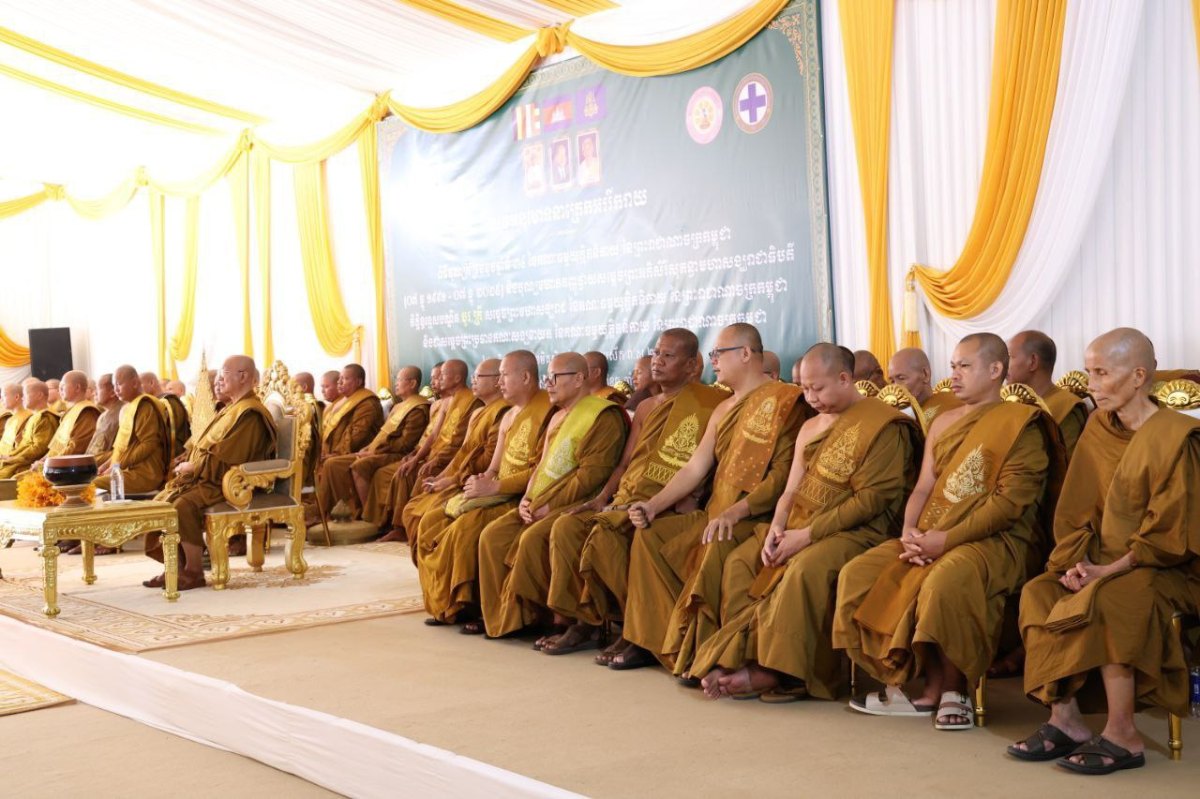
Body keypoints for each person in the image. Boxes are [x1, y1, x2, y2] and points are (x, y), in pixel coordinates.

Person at [833, 333, 1062, 730]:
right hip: (927, 534)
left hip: (996, 540)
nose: (953, 374)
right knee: (859, 572)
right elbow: (924, 487)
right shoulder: (942, 422)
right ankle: (902, 677)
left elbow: (1009, 505)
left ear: (995, 370)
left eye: (964, 366)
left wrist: (945, 541)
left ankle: (953, 689)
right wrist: (909, 531)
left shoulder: (1019, 425)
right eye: (953, 366)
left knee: (945, 579)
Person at [1009, 328, 1200, 775]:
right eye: (1088, 371)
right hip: (1097, 559)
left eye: (1101, 373)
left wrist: (1107, 571)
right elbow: (1077, 508)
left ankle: (1123, 733)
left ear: (1138, 376)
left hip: (1164, 567)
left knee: (1111, 598)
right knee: (1040, 592)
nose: (1091, 384)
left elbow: (1171, 533)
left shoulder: (1178, 436)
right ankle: (1065, 720)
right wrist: (1076, 563)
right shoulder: (1098, 426)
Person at [691, 344, 921, 700]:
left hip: (858, 531)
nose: (810, 398)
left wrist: (807, 536)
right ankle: (746, 657)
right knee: (741, 562)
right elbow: (790, 490)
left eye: (818, 388)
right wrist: (778, 528)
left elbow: (871, 500)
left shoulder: (883, 425)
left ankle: (784, 672)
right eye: (804, 388)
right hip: (800, 522)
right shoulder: (811, 427)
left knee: (804, 568)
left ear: (844, 378)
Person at [614, 324, 806, 671]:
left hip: (755, 517)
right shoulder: (723, 408)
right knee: (650, 534)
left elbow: (782, 475)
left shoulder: (784, 401)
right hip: (715, 513)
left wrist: (738, 510)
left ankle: (703, 650)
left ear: (745, 354)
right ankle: (656, 641)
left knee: (717, 539)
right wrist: (653, 505)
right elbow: (694, 468)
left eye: (719, 353)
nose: (713, 360)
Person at [554, 329, 725, 663]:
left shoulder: (711, 403)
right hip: (628, 496)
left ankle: (639, 633)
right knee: (567, 527)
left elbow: (711, 462)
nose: (657, 361)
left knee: (607, 536)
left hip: (669, 502)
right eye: (656, 353)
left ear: (692, 365)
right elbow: (626, 463)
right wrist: (602, 498)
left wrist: (696, 496)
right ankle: (590, 621)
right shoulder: (645, 407)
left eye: (668, 356)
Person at [476, 352, 627, 642]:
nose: (548, 384)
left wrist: (549, 506)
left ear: (579, 379)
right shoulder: (557, 416)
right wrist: (527, 498)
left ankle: (562, 619)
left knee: (534, 537)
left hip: (580, 500)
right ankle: (511, 618)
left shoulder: (603, 416)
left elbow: (591, 476)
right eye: (548, 377)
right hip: (540, 499)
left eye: (555, 377)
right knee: (492, 536)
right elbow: (541, 466)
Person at [416, 351, 553, 626]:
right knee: (430, 521)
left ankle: (471, 604)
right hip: (496, 490)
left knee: (464, 529)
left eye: (504, 376)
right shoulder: (509, 416)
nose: (500, 382)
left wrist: (495, 486)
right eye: (498, 376)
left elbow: (542, 470)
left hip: (520, 495)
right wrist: (480, 481)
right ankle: (446, 603)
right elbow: (493, 466)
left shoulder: (549, 412)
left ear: (526, 377)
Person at [151, 356, 276, 590]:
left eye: (223, 373)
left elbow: (234, 456)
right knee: (163, 501)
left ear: (243, 376)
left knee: (182, 505)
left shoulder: (250, 413)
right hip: (210, 477)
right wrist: (191, 463)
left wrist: (194, 468)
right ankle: (175, 567)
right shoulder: (231, 408)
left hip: (231, 482)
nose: (218, 379)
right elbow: (208, 447)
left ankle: (194, 571)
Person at [401, 360, 509, 564]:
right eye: (473, 377)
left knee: (427, 516)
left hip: (476, 481)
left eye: (478, 377)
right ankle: (429, 571)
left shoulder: (503, 412)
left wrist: (453, 480)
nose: (473, 381)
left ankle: (444, 572)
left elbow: (486, 461)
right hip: (461, 476)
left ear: (497, 381)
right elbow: (463, 452)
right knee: (412, 508)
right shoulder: (478, 412)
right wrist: (443, 477)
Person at [369, 360, 479, 542]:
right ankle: (398, 527)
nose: (438, 379)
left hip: (449, 459)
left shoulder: (472, 402)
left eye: (443, 375)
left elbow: (461, 443)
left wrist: (435, 461)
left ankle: (413, 526)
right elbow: (434, 434)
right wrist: (417, 457)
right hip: (435, 455)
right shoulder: (446, 402)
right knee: (405, 472)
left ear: (457, 378)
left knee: (420, 474)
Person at [316, 367, 428, 520]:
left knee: (340, 464)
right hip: (379, 451)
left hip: (395, 454)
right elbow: (381, 435)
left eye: (399, 380)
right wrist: (367, 449)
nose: (395, 383)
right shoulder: (398, 406)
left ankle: (365, 516)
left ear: (413, 383)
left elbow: (406, 443)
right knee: (331, 463)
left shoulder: (417, 408)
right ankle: (334, 513)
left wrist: (375, 451)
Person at [1008, 330, 1089, 460]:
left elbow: (1063, 465)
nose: (1003, 365)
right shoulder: (1008, 403)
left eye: (1010, 357)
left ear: (1033, 361)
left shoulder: (1066, 407)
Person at [94, 365, 171, 495]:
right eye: (114, 385)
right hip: (126, 469)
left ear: (135, 383)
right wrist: (105, 465)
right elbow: (123, 449)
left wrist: (117, 466)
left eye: (119, 384)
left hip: (145, 474)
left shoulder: (145, 406)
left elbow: (148, 444)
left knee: (91, 484)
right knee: (91, 479)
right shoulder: (130, 407)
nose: (116, 389)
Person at [318, 364, 383, 464]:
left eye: (345, 378)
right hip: (332, 452)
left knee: (330, 463)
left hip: (355, 454)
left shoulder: (367, 403)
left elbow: (357, 434)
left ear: (358, 382)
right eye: (340, 378)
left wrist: (337, 453)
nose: (339, 382)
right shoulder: (342, 401)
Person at [0, 379, 59, 478]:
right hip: (21, 459)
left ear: (39, 395)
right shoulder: (34, 417)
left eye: (26, 395)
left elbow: (39, 448)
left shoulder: (45, 417)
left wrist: (15, 458)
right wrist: (11, 456)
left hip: (30, 462)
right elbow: (24, 444)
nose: (23, 398)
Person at [887, 347, 961, 424]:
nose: (895, 387)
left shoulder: (950, 407)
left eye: (901, 378)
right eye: (892, 381)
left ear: (925, 374)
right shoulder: (898, 415)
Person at [86, 373, 124, 464]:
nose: (94, 393)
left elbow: (123, 450)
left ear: (112, 392)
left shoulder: (124, 412)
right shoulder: (102, 416)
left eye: (98, 389)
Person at [0, 382, 30, 458]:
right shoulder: (10, 420)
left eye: (4, 396)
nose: (1, 399)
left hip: (12, 459)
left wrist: (8, 457)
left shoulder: (28, 417)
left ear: (16, 397)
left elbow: (23, 447)